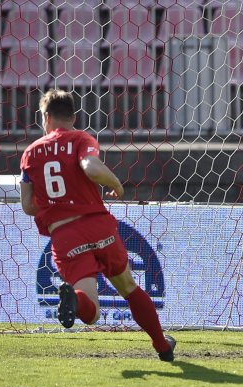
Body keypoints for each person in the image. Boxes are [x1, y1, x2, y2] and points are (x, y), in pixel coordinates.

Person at [19, 89, 175, 362]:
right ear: (74, 116)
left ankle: (75, 300)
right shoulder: (81, 138)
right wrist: (115, 183)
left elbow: (28, 206)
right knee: (128, 286)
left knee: (91, 314)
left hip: (65, 235)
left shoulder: (31, 154)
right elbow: (91, 167)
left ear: (46, 117)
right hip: (98, 226)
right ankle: (162, 346)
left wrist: (53, 204)